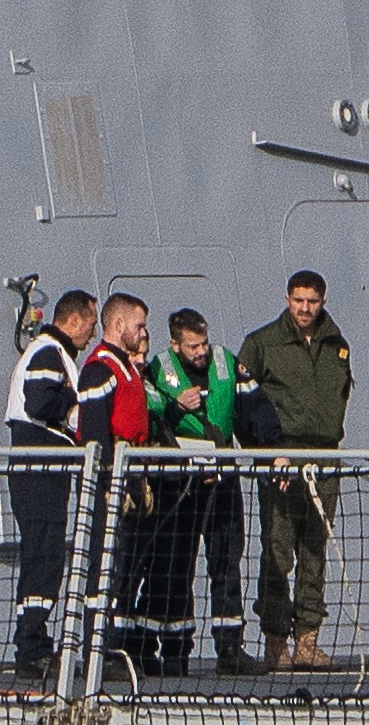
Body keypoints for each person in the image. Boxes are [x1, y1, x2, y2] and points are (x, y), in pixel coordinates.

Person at [240, 270, 352, 672]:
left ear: (323, 301)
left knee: (314, 550)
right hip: (281, 461)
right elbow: (244, 407)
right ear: (287, 298)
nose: (305, 309)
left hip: (324, 460)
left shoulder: (338, 345)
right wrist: (268, 455)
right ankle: (275, 642)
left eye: (313, 301)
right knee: (277, 551)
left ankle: (308, 641)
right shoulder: (262, 344)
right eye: (299, 300)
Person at [137, 309, 258, 678]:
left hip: (221, 479)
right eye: (193, 346)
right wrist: (176, 408)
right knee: (176, 566)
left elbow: (254, 409)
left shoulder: (226, 365)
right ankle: (176, 651)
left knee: (226, 561)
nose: (201, 351)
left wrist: (274, 448)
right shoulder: (156, 371)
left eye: (204, 343)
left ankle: (230, 648)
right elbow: (149, 418)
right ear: (175, 344)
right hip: (180, 483)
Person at [2, 289, 96, 673]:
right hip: (40, 465)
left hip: (44, 467)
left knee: (43, 554)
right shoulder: (47, 353)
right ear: (73, 320)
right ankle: (32, 646)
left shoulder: (55, 354)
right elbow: (39, 400)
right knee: (44, 554)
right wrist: (78, 409)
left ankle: (34, 641)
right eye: (90, 324)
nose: (91, 334)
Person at [78, 296, 154, 674]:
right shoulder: (100, 369)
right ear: (118, 323)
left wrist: (139, 481)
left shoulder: (128, 368)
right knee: (100, 568)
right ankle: (94, 649)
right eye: (138, 326)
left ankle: (113, 648)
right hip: (109, 482)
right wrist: (109, 481)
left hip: (131, 474)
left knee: (120, 568)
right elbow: (95, 432)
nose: (142, 334)